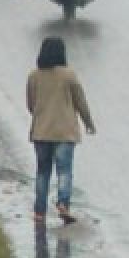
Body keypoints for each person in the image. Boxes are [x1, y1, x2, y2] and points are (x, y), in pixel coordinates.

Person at [26, 36, 96, 225]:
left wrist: (42, 115)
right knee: (64, 171)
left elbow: (30, 105)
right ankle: (63, 204)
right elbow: (80, 101)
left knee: (42, 172)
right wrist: (88, 122)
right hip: (64, 132)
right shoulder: (68, 75)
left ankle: (39, 212)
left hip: (41, 132)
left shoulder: (33, 76)